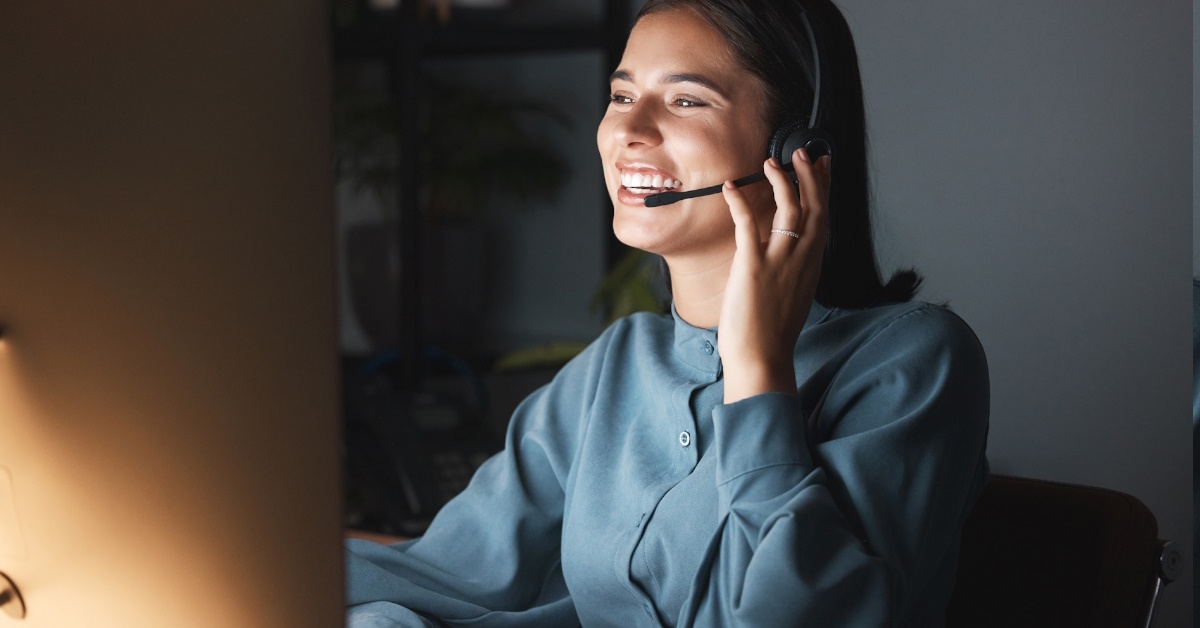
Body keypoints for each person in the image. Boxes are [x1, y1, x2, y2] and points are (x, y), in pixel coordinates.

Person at [345, 0, 990, 625]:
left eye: (686, 100)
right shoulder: (616, 367)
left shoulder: (913, 360)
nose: (629, 130)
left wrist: (757, 372)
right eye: (622, 96)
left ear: (798, 147)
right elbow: (446, 571)